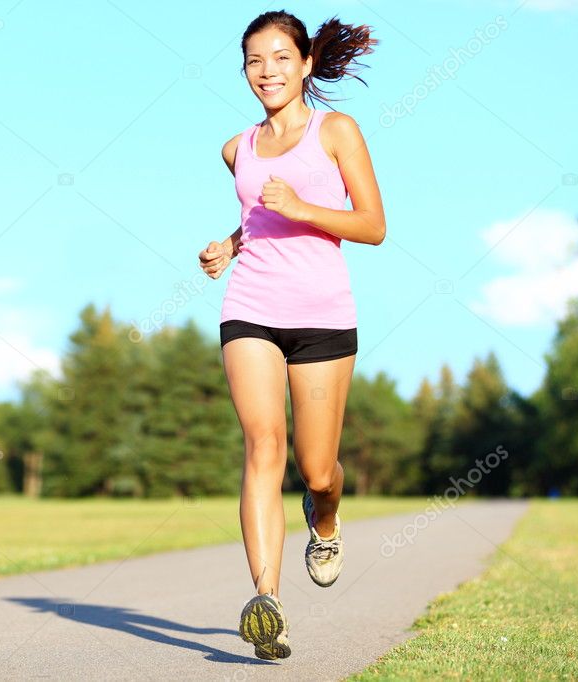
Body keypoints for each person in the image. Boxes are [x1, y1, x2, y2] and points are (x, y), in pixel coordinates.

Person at [198, 10, 384, 661]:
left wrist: (303, 207)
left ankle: (325, 517)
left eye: (280, 58)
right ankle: (267, 601)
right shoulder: (236, 148)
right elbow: (257, 219)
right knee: (262, 443)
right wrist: (228, 244)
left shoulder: (335, 131)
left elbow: (371, 225)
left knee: (316, 468)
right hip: (249, 308)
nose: (266, 71)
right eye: (254, 61)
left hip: (323, 318)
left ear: (305, 64)